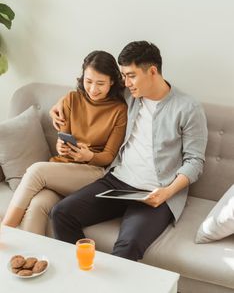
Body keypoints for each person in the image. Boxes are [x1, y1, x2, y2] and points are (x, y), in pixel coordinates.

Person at [50, 41, 208, 262]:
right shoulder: (129, 94)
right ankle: (85, 276)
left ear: (152, 71)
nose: (126, 82)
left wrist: (167, 192)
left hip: (156, 193)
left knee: (128, 245)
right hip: (117, 182)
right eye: (123, 76)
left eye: (131, 75)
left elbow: (195, 162)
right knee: (61, 213)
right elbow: (88, 91)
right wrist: (56, 106)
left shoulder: (188, 108)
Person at [2, 50, 127, 234]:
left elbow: (108, 156)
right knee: (37, 206)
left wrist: (89, 155)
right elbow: (63, 141)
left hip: (92, 173)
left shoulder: (119, 110)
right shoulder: (72, 99)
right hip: (64, 169)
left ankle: (5, 232)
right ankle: (30, 260)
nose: (93, 89)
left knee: (36, 170)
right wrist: (62, 148)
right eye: (88, 81)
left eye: (100, 83)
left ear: (112, 81)